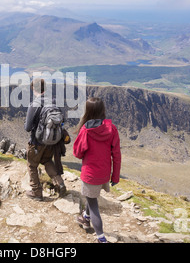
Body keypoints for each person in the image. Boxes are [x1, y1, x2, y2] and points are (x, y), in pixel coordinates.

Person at [73, 97, 121, 243]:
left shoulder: (86, 130)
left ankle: (101, 238)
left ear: (88, 111)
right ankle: (85, 218)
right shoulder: (112, 129)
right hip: (104, 174)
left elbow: (77, 153)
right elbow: (117, 154)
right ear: (102, 110)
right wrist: (115, 176)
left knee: (93, 204)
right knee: (91, 197)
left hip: (90, 175)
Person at [24, 78, 66, 201]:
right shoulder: (53, 102)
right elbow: (61, 121)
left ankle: (36, 192)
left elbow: (27, 128)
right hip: (52, 141)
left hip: (37, 142)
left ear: (33, 89)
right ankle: (60, 183)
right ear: (44, 88)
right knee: (47, 160)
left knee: (32, 165)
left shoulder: (34, 104)